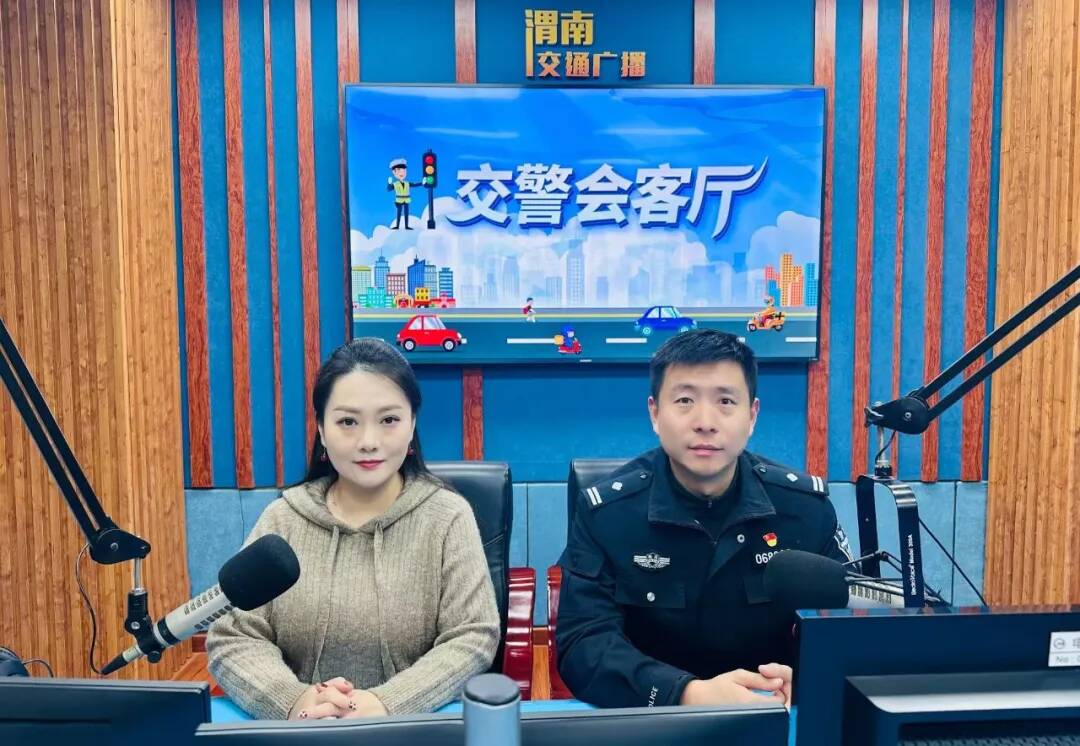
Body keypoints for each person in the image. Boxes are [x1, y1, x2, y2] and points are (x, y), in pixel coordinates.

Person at [555, 329, 852, 710]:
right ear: (655, 413)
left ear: (752, 415)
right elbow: (584, 643)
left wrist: (811, 680)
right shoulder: (607, 514)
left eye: (725, 401)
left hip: (776, 715)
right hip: (654, 721)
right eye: (685, 400)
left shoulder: (805, 510)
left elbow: (847, 626)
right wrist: (686, 693)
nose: (705, 422)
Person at [207, 338, 500, 720]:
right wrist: (294, 701)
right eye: (347, 422)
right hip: (301, 735)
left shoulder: (447, 517)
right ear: (321, 429)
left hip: (412, 730)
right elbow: (233, 636)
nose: (368, 442)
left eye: (389, 420)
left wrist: (385, 704)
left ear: (412, 424)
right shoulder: (283, 519)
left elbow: (473, 636)